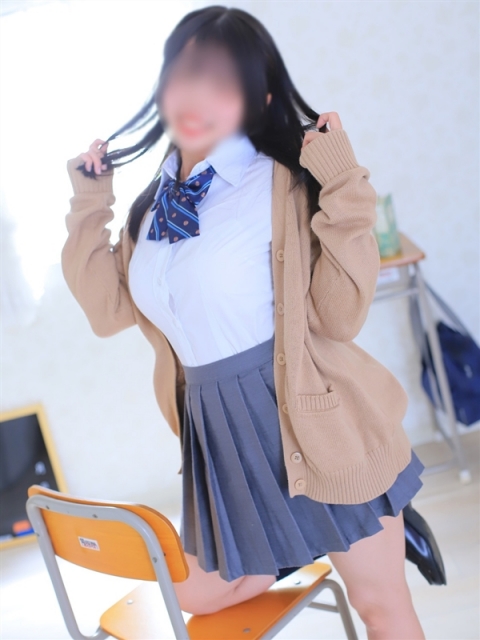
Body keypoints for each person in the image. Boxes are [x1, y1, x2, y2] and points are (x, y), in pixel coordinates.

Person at [62, 5, 426, 639]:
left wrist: (342, 183)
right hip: (223, 444)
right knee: (198, 598)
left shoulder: (282, 185)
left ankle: (369, 527)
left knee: (381, 608)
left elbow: (340, 317)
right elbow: (106, 311)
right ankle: (296, 541)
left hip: (320, 426)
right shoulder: (153, 208)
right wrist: (91, 203)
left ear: (259, 98)